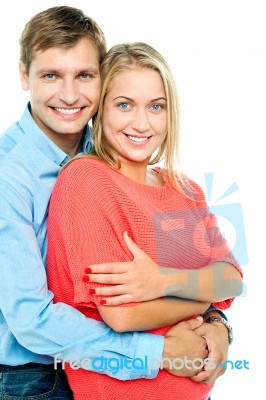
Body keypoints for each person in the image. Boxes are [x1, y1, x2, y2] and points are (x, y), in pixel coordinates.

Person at [0, 6, 213, 399]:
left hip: (113, 368)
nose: (68, 95)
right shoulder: (9, 176)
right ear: (23, 75)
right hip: (32, 379)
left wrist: (215, 321)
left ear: (103, 78)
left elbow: (208, 271)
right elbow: (30, 318)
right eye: (50, 75)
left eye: (84, 75)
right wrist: (161, 351)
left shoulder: (116, 155)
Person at [47, 42, 243, 400]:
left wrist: (161, 281)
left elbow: (231, 279)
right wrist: (205, 305)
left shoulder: (185, 189)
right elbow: (122, 316)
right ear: (99, 109)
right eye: (125, 105)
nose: (142, 123)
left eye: (156, 106)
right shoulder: (88, 179)